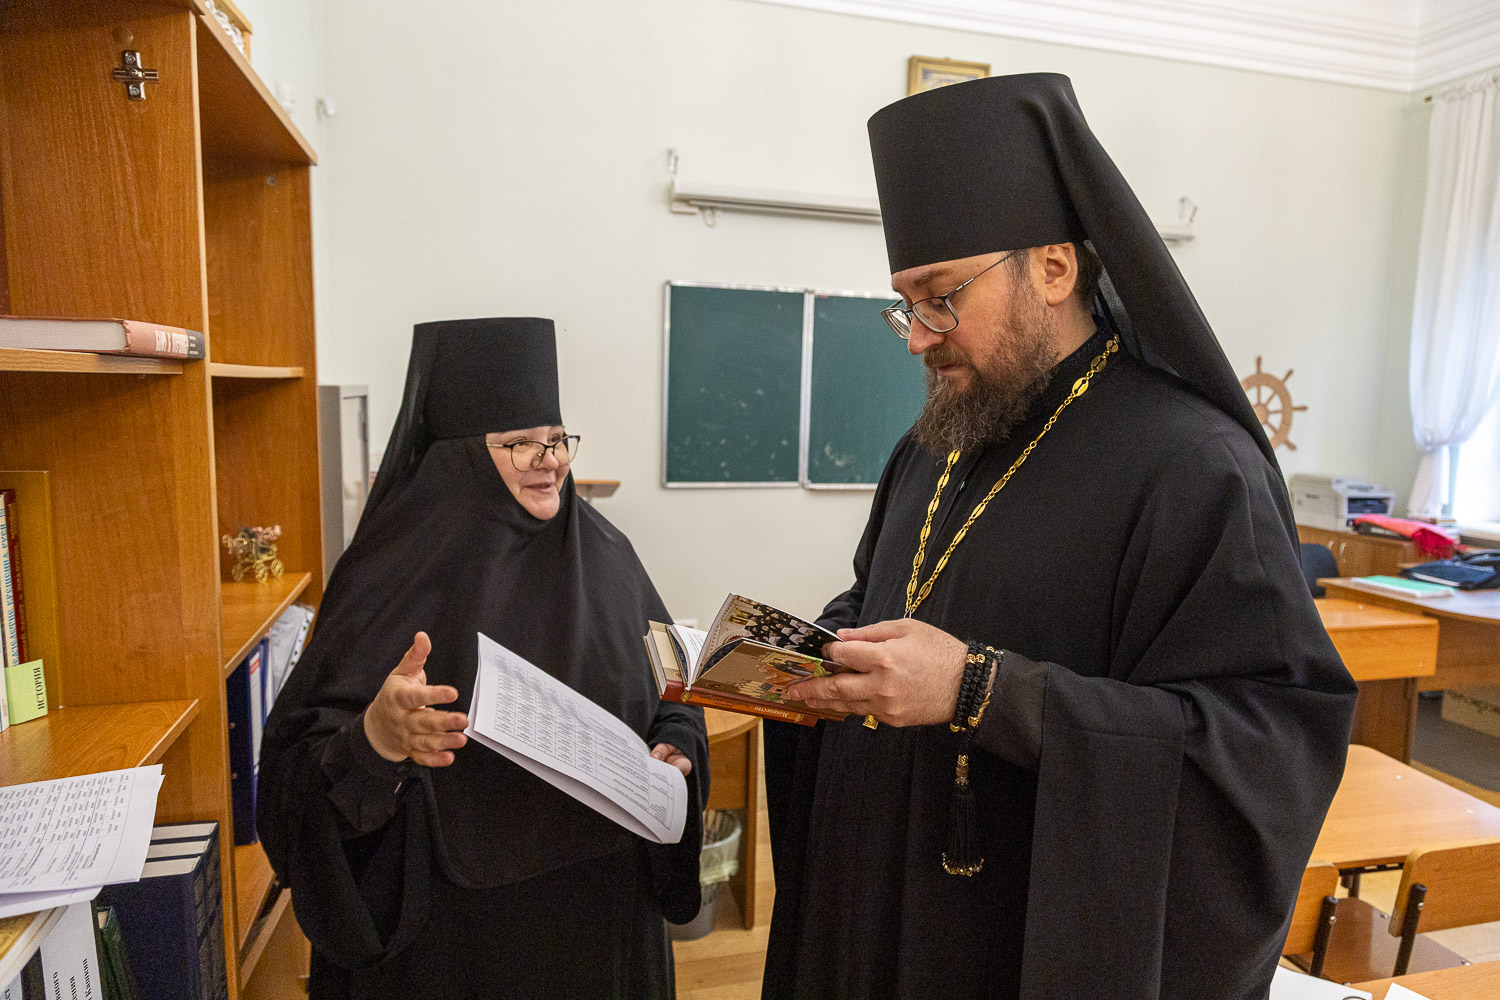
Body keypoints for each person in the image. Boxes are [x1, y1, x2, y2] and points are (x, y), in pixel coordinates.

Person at [762, 74, 1356, 999]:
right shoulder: (933, 443)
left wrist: (979, 690)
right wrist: (815, 651)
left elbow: (1263, 751)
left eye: (941, 298)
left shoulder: (1194, 467)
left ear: (1051, 269)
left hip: (1017, 939)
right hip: (874, 894)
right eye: (906, 303)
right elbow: (881, 591)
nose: (917, 336)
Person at [259, 318, 708, 1000]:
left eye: (557, 438)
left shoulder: (607, 554)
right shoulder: (387, 576)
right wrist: (377, 740)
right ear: (459, 457)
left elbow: (677, 682)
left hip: (604, 921)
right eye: (520, 442)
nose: (550, 460)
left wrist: (675, 739)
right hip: (458, 945)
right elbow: (295, 784)